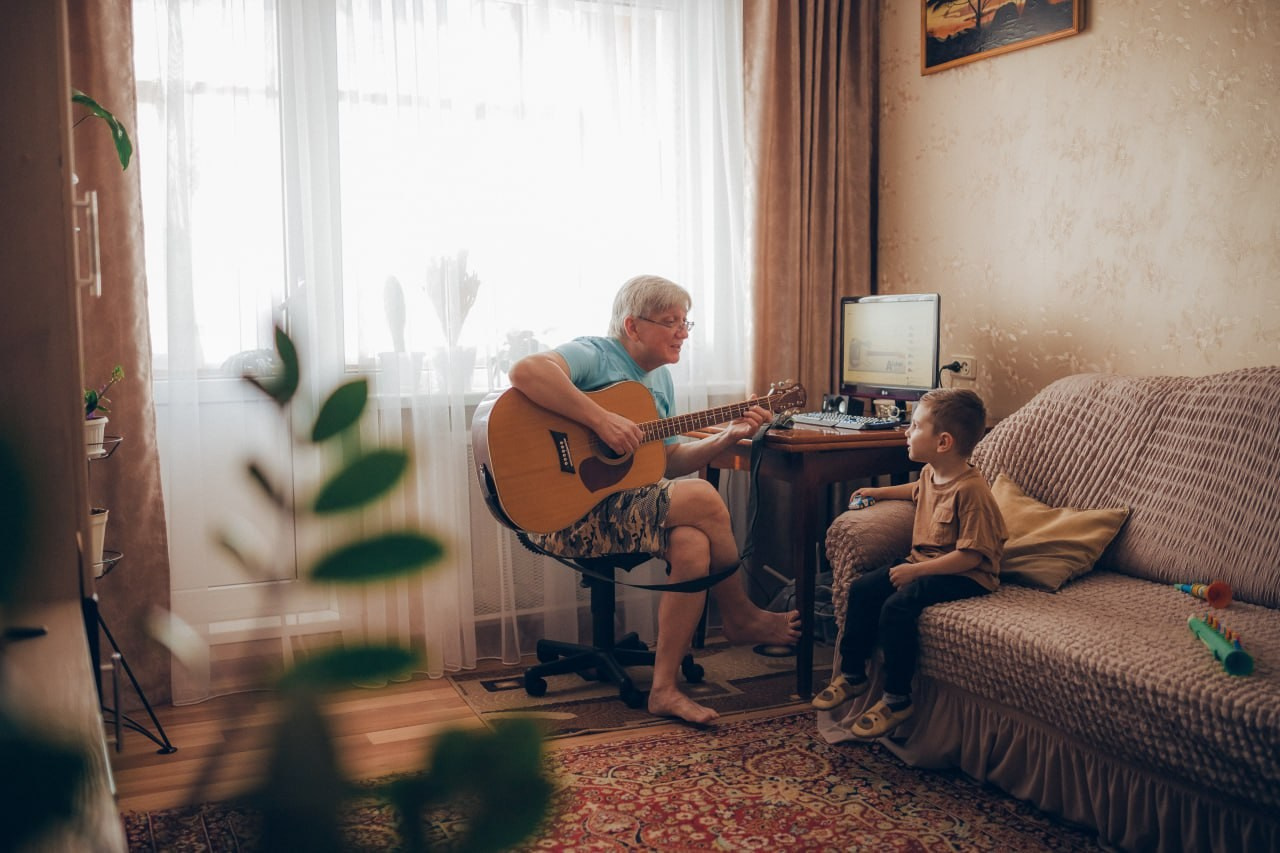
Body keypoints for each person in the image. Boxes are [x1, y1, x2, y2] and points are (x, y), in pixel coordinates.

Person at [507, 274, 800, 725]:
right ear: (633, 326)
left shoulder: (658, 381)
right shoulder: (595, 354)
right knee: (703, 495)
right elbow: (526, 371)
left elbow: (666, 463)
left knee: (692, 545)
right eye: (671, 321)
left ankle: (663, 690)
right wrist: (601, 420)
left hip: (626, 507)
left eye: (687, 322)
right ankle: (740, 614)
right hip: (570, 514)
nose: (683, 332)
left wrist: (730, 435)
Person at [812, 387, 1006, 738]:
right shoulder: (934, 473)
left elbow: (972, 555)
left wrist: (915, 571)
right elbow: (915, 490)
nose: (906, 432)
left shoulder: (971, 490)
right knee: (863, 588)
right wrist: (878, 492)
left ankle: (898, 698)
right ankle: (853, 675)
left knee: (897, 607)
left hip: (965, 574)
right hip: (925, 562)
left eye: (915, 426)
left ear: (943, 441)